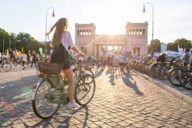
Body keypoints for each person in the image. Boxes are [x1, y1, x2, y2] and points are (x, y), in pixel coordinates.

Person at [46, 17, 85, 109]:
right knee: (71, 80)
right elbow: (72, 47)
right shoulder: (67, 33)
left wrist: (50, 60)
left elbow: (55, 49)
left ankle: (61, 93)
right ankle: (71, 102)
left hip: (54, 58)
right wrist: (80, 52)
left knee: (62, 77)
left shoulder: (55, 34)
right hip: (62, 59)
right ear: (65, 25)